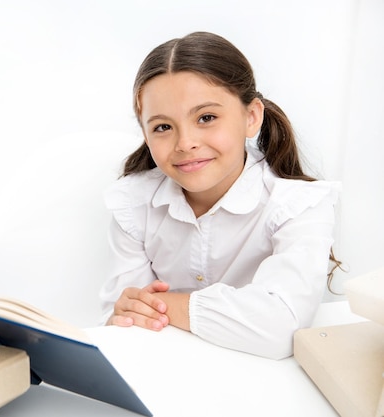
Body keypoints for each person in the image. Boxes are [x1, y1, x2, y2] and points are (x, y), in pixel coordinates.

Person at [99, 31, 340, 360]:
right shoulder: (133, 203)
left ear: (251, 117)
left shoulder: (299, 205)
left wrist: (166, 305)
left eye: (206, 118)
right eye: (163, 127)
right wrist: (127, 312)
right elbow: (125, 324)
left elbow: (281, 327)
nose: (185, 143)